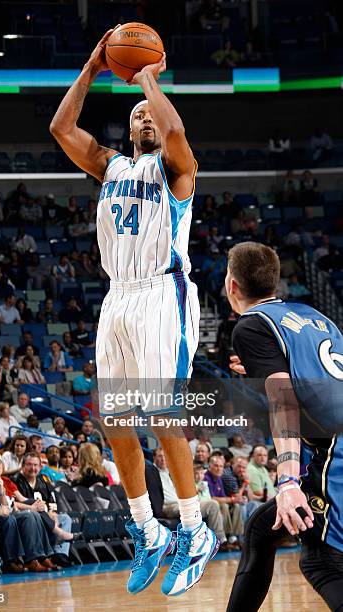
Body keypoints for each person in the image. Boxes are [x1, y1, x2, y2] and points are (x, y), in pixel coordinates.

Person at [50, 26, 218, 596]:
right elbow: (60, 128)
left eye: (151, 113)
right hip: (117, 297)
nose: (146, 119)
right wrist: (95, 66)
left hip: (162, 293)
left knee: (163, 413)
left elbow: (175, 131)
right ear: (125, 130)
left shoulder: (177, 173)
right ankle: (149, 529)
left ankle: (194, 529)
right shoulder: (112, 167)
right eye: (137, 116)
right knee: (116, 422)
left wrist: (146, 74)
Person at [225, 241, 343, 611]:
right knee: (262, 531)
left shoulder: (251, 325)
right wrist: (270, 370)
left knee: (321, 560)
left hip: (331, 459)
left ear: (231, 286)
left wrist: (288, 481)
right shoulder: (314, 316)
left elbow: (284, 401)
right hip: (331, 449)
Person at [153, 448, 227, 551]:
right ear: (154, 458)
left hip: (182, 502)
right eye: (160, 456)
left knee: (213, 504)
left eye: (165, 456)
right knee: (190, 508)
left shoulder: (171, 471)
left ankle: (219, 541)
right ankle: (197, 545)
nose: (163, 459)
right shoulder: (151, 472)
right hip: (169, 506)